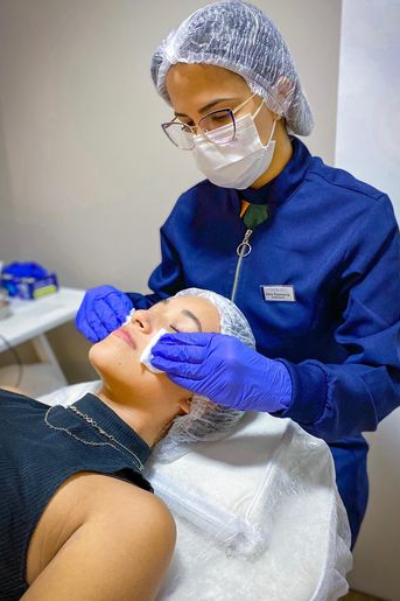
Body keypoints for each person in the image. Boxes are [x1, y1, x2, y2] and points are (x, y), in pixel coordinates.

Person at [75, 0, 400, 548]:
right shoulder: (194, 211)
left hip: (309, 447)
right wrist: (125, 308)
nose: (203, 136)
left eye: (219, 114)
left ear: (279, 93)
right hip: (197, 443)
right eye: (187, 122)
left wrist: (282, 384)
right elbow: (170, 303)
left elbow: (383, 377)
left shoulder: (357, 218)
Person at [1, 289, 255, 601]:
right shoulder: (10, 394)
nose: (139, 315)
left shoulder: (130, 518)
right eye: (153, 309)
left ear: (198, 401)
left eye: (175, 329)